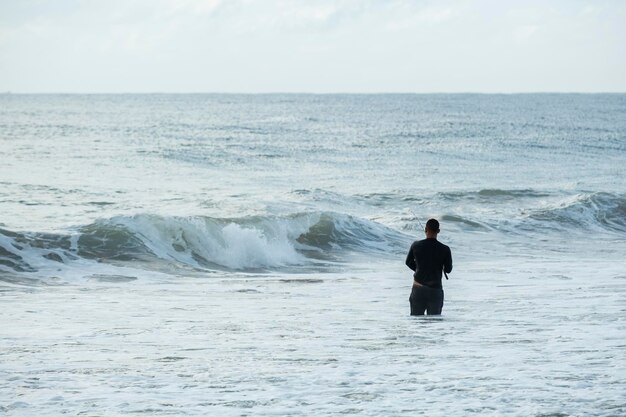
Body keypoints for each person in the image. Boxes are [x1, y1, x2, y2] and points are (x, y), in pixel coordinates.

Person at [405, 218, 453, 315]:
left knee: (416, 322)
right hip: (435, 290)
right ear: (438, 231)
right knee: (434, 324)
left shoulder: (416, 245)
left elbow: (408, 262)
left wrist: (418, 269)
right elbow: (448, 269)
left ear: (425, 229)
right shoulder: (445, 249)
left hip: (418, 288)